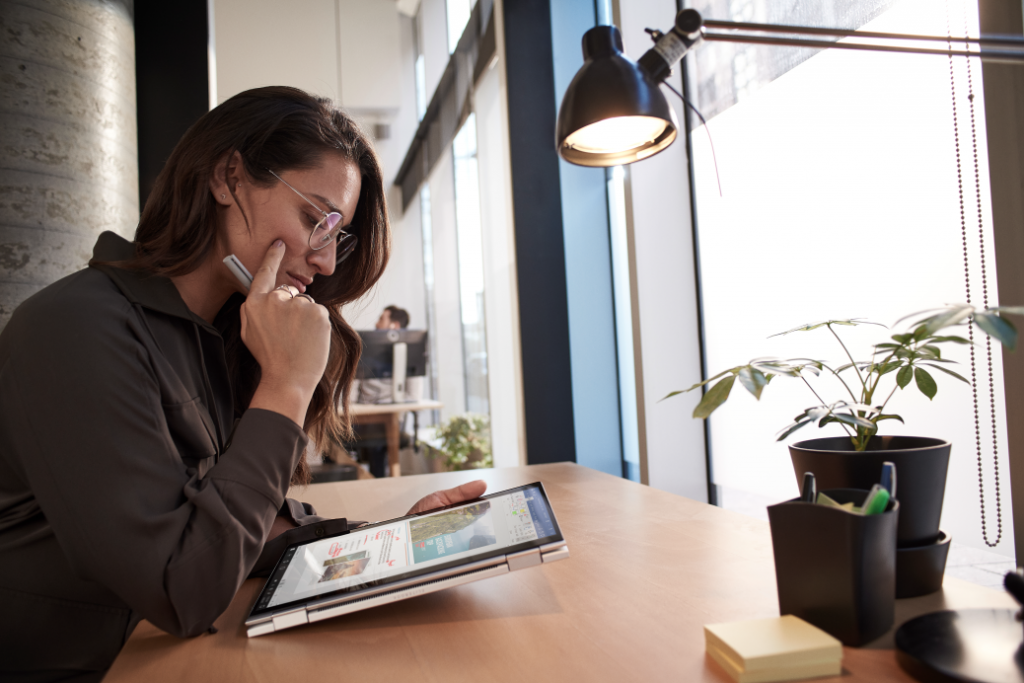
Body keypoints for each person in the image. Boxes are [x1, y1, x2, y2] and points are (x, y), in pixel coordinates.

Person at [0, 86, 484, 683]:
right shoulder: (75, 328)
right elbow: (185, 587)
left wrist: (387, 545)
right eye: (317, 219)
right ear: (228, 177)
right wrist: (286, 385)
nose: (328, 262)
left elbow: (227, 530)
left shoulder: (218, 334)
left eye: (339, 233)